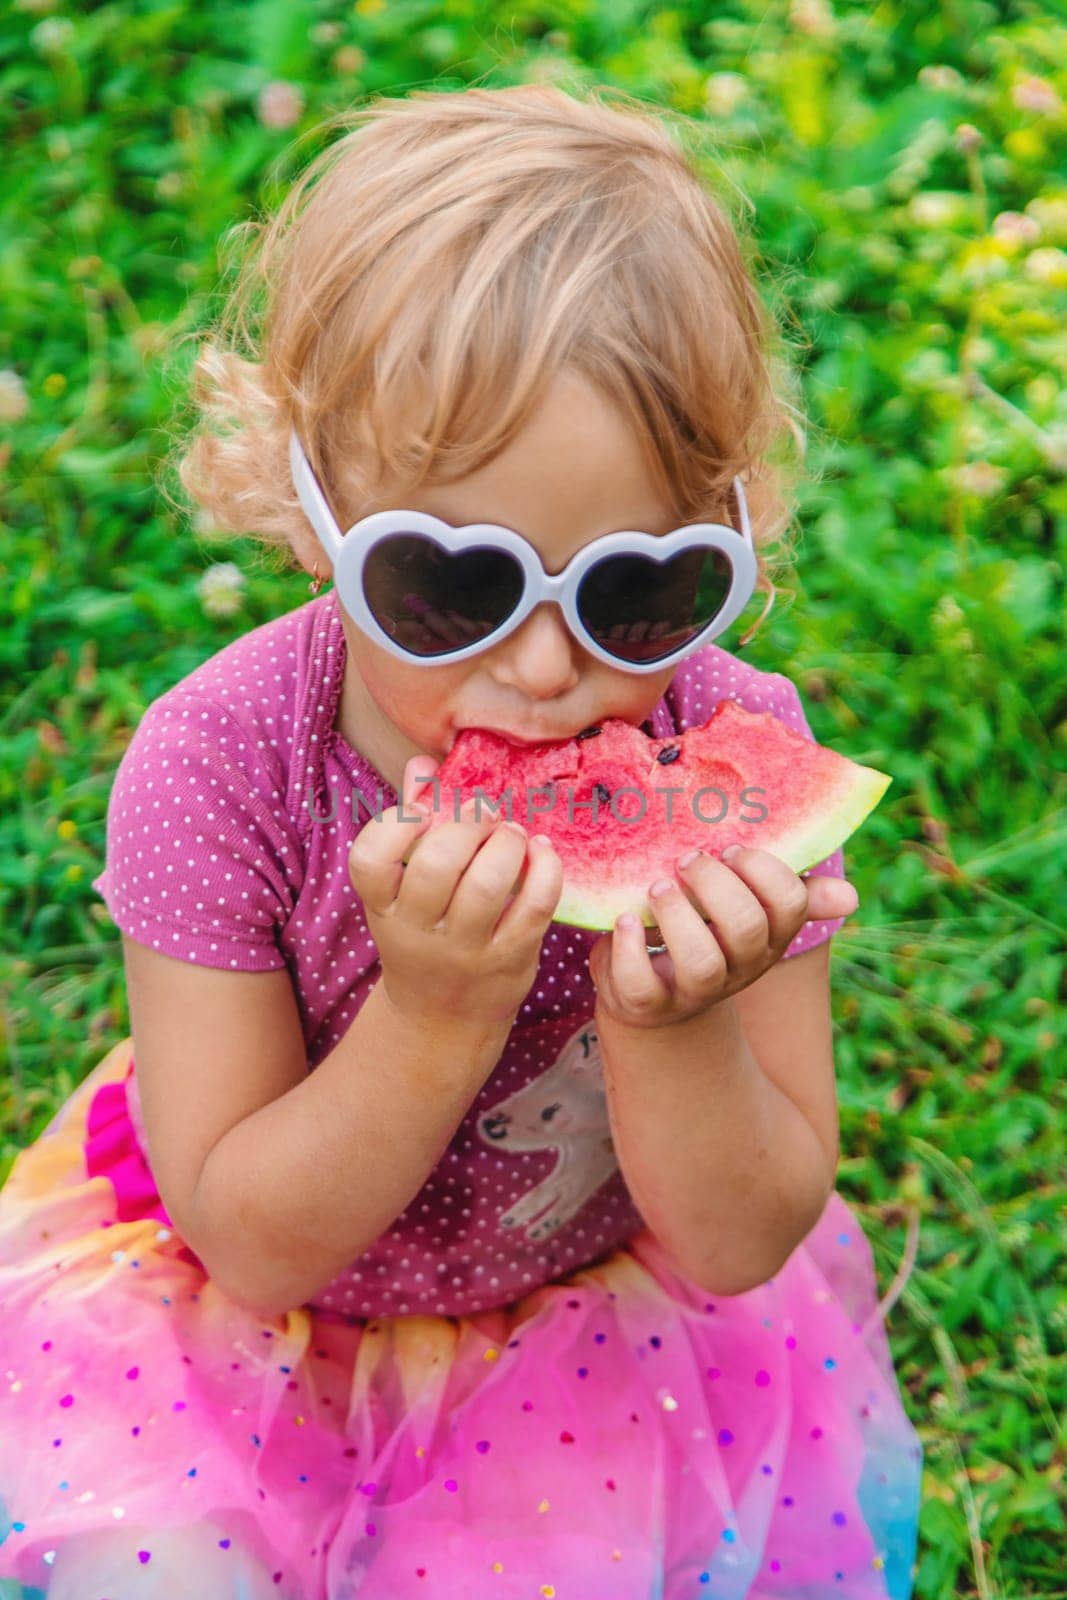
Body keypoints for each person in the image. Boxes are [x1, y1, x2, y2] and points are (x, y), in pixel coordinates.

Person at [0, 83, 923, 1600]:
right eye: (450, 587)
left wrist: (678, 1028)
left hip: (596, 1333)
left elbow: (747, 1235)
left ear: (737, 533)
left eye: (641, 594)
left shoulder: (735, 729)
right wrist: (432, 1010)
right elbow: (253, 1246)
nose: (550, 673)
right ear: (308, 514)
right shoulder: (216, 766)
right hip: (236, 1332)